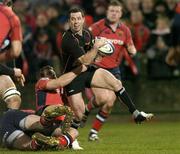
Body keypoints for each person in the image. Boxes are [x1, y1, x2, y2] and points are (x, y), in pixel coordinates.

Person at [61, 7, 154, 140]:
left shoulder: (87, 34)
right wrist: (96, 47)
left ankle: (136, 113)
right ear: (69, 21)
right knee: (79, 114)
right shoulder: (68, 39)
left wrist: (101, 51)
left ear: (83, 20)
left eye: (78, 18)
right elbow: (85, 59)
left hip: (86, 70)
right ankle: (69, 139)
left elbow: (95, 56)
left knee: (116, 83)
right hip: (72, 76)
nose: (76, 22)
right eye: (73, 19)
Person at [81, 0, 144, 141]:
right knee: (103, 98)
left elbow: (130, 46)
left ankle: (93, 132)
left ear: (121, 13)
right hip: (97, 68)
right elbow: (85, 41)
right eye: (112, 11)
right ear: (107, 12)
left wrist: (133, 50)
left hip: (114, 69)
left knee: (110, 103)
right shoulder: (97, 27)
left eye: (117, 11)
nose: (114, 13)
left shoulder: (125, 30)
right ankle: (86, 109)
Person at [35, 65, 87, 150]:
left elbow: (67, 101)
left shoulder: (61, 87)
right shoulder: (42, 81)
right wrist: (77, 72)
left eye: (52, 71)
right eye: (49, 72)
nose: (52, 73)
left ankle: (64, 142)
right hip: (45, 113)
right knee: (61, 109)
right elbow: (58, 83)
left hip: (58, 121)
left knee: (74, 131)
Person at [0, 104, 74, 150]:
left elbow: (74, 132)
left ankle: (39, 142)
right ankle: (45, 122)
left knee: (32, 144)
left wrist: (59, 142)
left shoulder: (58, 129)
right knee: (29, 143)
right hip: (12, 119)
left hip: (20, 121)